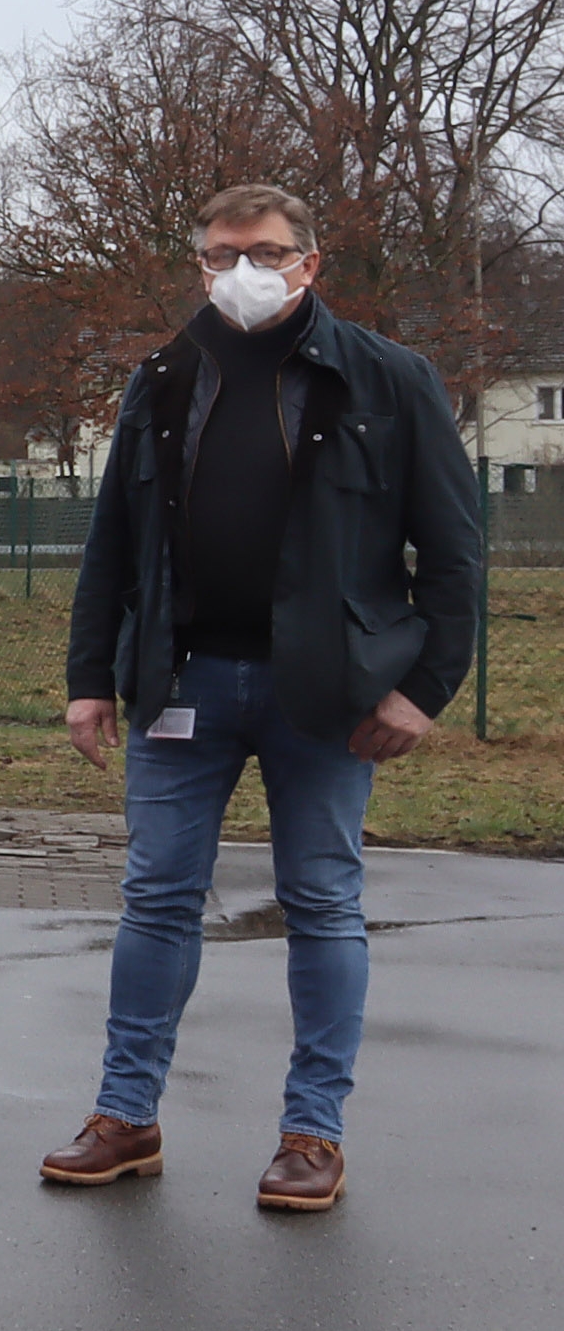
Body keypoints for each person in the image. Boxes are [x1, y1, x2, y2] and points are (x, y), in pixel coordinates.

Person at [43, 183, 477, 1213]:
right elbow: (114, 542)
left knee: (321, 903)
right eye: (224, 253)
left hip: (326, 694)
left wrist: (423, 691)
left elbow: (457, 554)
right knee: (157, 899)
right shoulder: (161, 379)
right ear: (199, 265)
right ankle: (125, 1116)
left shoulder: (390, 379)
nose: (246, 270)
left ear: (309, 263)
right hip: (181, 682)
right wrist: (89, 679)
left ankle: (312, 1134)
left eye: (269, 252)